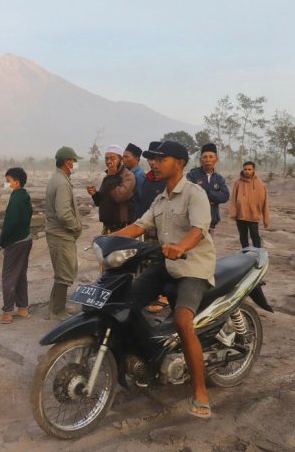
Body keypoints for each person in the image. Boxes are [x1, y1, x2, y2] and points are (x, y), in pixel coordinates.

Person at [113, 140, 216, 419]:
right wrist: (108, 239)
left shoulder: (195, 194)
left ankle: (200, 393)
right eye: (153, 159)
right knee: (123, 305)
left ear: (179, 164)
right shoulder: (160, 199)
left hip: (193, 267)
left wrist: (182, 246)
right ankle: (147, 359)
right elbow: (138, 226)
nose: (154, 164)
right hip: (167, 265)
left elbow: (198, 230)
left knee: (183, 321)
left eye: (161, 159)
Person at [45, 146, 83, 320]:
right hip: (61, 234)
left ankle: (54, 306)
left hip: (58, 233)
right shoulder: (61, 182)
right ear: (68, 162)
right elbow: (63, 213)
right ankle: (58, 310)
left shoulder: (58, 178)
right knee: (64, 274)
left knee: (62, 271)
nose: (75, 164)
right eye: (74, 161)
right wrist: (75, 227)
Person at [0, 167, 34, 324]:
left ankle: (7, 313)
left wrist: (3, 241)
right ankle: (23, 308)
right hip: (26, 239)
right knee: (20, 275)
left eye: (8, 181)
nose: (7, 184)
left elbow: (10, 223)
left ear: (17, 182)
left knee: (9, 276)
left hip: (15, 242)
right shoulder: (24, 195)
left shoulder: (16, 198)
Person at [139, 141, 170, 314]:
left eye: (155, 158)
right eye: (150, 159)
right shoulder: (147, 179)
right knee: (148, 260)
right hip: (148, 227)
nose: (152, 162)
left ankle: (164, 296)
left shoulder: (167, 181)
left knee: (163, 260)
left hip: (163, 230)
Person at [86, 144, 135, 234]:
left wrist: (111, 176)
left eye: (112, 158)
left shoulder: (128, 176)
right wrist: (94, 194)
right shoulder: (108, 176)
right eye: (106, 158)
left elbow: (119, 197)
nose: (108, 161)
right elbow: (101, 201)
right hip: (107, 226)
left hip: (121, 227)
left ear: (121, 159)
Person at [186, 143, 230, 236]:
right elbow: (189, 193)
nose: (208, 160)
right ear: (200, 160)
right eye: (205, 157)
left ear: (216, 159)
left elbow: (225, 196)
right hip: (193, 222)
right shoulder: (192, 175)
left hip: (211, 221)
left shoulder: (219, 178)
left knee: (208, 249)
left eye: (211, 157)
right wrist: (212, 199)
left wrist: (208, 193)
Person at [229, 161, 269, 248]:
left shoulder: (260, 184)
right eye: (245, 169)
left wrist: (266, 219)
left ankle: (258, 255)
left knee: (255, 236)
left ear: (254, 170)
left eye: (249, 169)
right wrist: (233, 213)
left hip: (254, 216)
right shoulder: (237, 183)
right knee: (243, 237)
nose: (247, 171)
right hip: (240, 216)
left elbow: (265, 203)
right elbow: (233, 199)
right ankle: (245, 256)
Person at [123, 143, 146, 219]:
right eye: (123, 157)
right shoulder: (127, 174)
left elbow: (142, 200)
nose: (124, 160)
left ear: (136, 159)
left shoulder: (139, 175)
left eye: (126, 157)